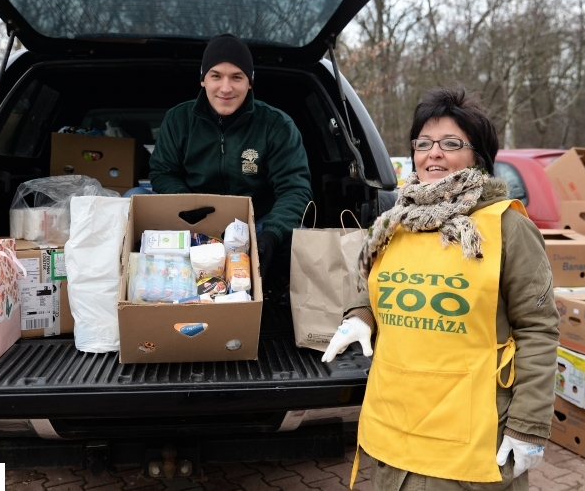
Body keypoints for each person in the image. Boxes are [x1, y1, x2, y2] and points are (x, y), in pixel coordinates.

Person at [322, 87, 560, 491]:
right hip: (395, 430)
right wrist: (360, 314)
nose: (434, 153)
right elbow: (379, 283)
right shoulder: (397, 221)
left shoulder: (506, 227)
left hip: (469, 442)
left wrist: (529, 424)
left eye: (451, 143)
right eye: (424, 143)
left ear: (477, 157)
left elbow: (538, 330)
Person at [148, 33, 312, 279]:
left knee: (303, 240)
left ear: (250, 82)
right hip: (188, 221)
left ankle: (272, 302)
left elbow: (294, 189)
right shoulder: (178, 120)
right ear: (203, 80)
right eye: (216, 76)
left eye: (236, 77)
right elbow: (163, 173)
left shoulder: (276, 125)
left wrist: (271, 234)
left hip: (256, 225)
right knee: (130, 199)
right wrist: (188, 208)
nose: (226, 88)